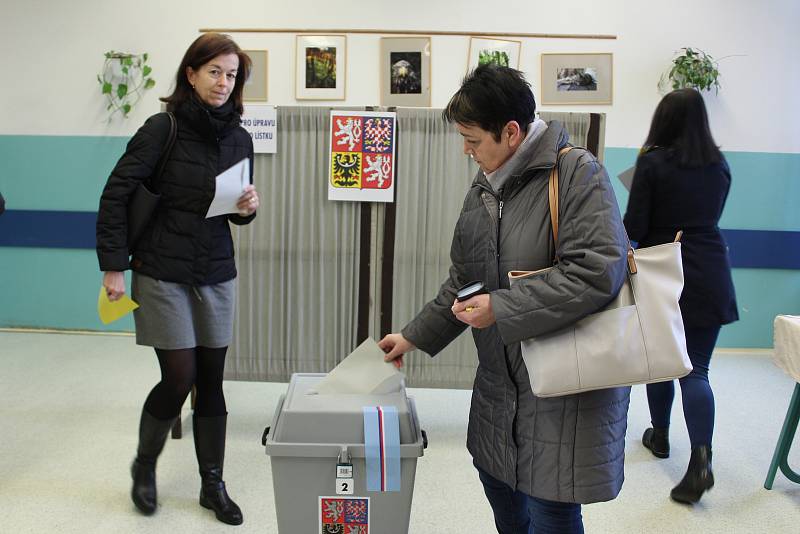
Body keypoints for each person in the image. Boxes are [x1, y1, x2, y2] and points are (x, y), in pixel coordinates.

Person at [379, 65, 630, 534]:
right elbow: (464, 282)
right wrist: (411, 337)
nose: (466, 150)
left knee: (551, 512)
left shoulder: (578, 173)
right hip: (500, 386)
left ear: (511, 132)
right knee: (503, 496)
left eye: (473, 140)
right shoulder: (485, 187)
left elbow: (597, 271)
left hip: (562, 387)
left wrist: (504, 307)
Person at [96, 33, 259, 525]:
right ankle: (145, 465)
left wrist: (247, 209)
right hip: (162, 269)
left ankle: (213, 483)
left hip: (214, 269)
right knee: (179, 376)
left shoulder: (239, 136)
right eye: (214, 71)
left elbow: (232, 207)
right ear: (191, 74)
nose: (223, 83)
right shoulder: (161, 128)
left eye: (231, 75)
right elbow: (116, 195)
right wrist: (112, 267)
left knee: (212, 379)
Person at [623, 88, 738, 504]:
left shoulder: (651, 164)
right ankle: (701, 458)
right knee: (697, 370)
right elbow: (711, 216)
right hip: (710, 270)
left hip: (664, 272)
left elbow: (634, 225)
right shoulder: (719, 165)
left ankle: (661, 436)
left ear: (664, 121)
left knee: (659, 362)